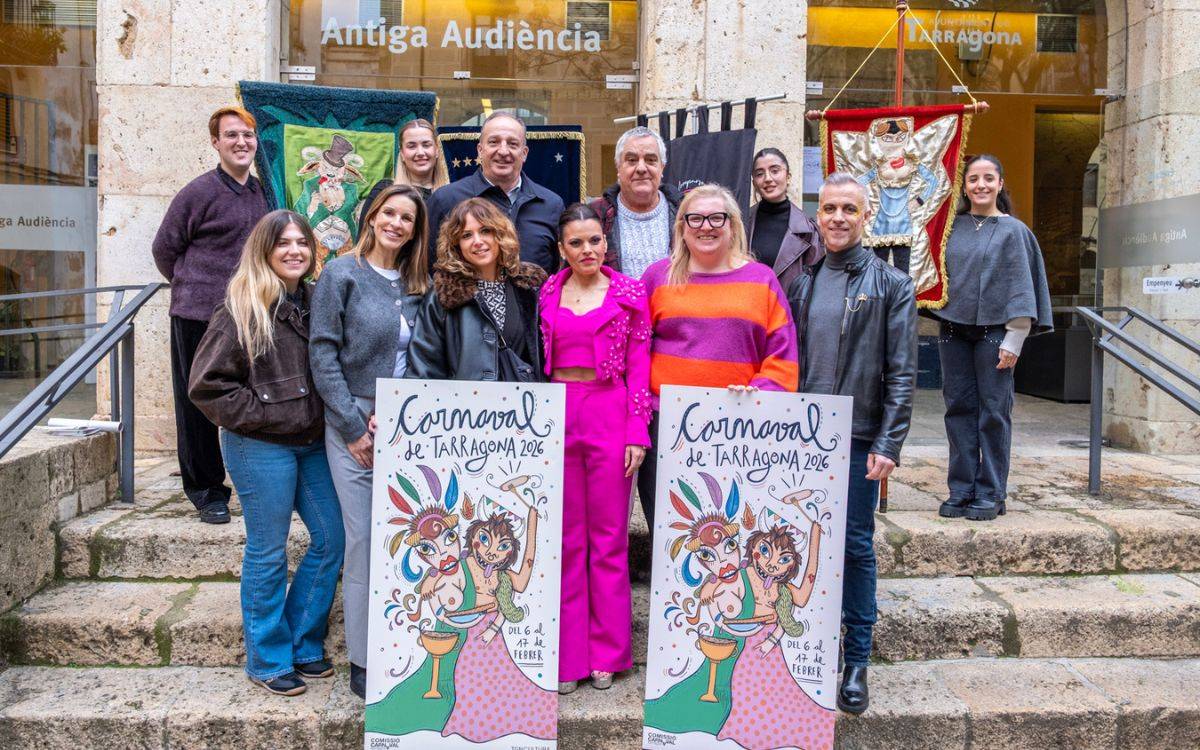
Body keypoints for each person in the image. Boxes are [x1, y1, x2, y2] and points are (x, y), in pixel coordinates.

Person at [187, 210, 344, 696]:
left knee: (331, 538)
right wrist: (266, 412)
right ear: (264, 250)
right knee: (268, 549)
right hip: (259, 446)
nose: (295, 251)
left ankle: (303, 640)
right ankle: (268, 658)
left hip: (312, 444)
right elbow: (207, 386)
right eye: (283, 243)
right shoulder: (241, 306)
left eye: (302, 242)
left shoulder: (316, 301)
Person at [787, 172, 917, 716]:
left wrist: (889, 441)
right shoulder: (802, 282)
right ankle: (812, 646)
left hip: (859, 434)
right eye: (829, 209)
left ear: (866, 216)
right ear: (817, 217)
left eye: (849, 209)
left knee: (855, 546)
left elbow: (903, 372)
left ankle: (857, 657)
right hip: (801, 436)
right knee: (803, 542)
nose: (838, 218)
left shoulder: (892, 284)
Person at [309, 184, 430, 699]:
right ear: (372, 217)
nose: (396, 224)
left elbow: (428, 355)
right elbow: (322, 354)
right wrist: (353, 427)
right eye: (389, 213)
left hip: (410, 425)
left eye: (407, 218)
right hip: (353, 422)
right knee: (363, 540)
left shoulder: (420, 282)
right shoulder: (341, 274)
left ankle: (413, 646)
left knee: (412, 539)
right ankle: (363, 656)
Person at [637, 184, 799, 531]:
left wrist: (762, 392)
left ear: (733, 225)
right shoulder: (657, 277)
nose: (705, 227)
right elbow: (636, 350)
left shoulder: (762, 279)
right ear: (682, 227)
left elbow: (782, 352)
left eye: (716, 218)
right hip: (666, 425)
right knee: (670, 530)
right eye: (695, 218)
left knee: (733, 529)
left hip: (737, 428)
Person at [538, 203, 652, 694]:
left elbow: (641, 365)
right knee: (565, 538)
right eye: (576, 243)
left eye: (595, 240)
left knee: (608, 537)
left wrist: (637, 430)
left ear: (606, 243)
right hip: (557, 413)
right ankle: (568, 655)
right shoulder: (548, 290)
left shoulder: (629, 292)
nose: (587, 249)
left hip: (609, 411)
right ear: (562, 249)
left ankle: (608, 652)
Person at [152, 106, 269, 524]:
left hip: (251, 315)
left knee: (255, 399)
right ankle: (207, 491)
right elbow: (164, 249)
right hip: (197, 315)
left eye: (248, 135)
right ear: (215, 142)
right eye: (231, 135)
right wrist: (193, 285)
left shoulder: (264, 193)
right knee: (196, 404)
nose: (241, 142)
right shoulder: (197, 192)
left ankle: (258, 484)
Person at [935, 155, 1053, 522]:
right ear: (964, 185)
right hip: (953, 329)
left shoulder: (1014, 231)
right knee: (958, 410)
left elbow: (1021, 285)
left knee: (993, 413)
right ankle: (961, 488)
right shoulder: (949, 228)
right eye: (973, 179)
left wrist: (1014, 339)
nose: (981, 185)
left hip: (996, 333)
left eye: (988, 178)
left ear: (1000, 184)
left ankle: (991, 492)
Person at [406, 198, 547, 381]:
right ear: (456, 245)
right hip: (461, 399)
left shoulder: (529, 287)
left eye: (485, 231)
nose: (477, 241)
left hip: (524, 398)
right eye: (466, 235)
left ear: (500, 234)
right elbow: (424, 366)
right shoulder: (444, 295)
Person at [426, 112, 564, 274]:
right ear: (480, 150)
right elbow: (428, 270)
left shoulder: (551, 205)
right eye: (493, 142)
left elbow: (559, 273)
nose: (503, 151)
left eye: (513, 144)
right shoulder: (445, 200)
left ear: (524, 153)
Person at [588, 126, 680, 279]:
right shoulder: (595, 215)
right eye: (632, 160)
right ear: (618, 167)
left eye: (650, 160)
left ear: (662, 167)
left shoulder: (684, 213)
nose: (641, 168)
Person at [748, 147, 824, 290]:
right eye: (760, 174)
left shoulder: (808, 230)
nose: (768, 178)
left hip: (789, 304)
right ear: (754, 183)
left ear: (788, 177)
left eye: (775, 171)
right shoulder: (741, 223)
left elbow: (815, 283)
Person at [356, 118, 449, 230]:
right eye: (411, 146)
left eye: (426, 145)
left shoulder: (450, 196)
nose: (420, 152)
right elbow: (364, 238)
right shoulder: (383, 191)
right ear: (402, 154)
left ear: (437, 150)